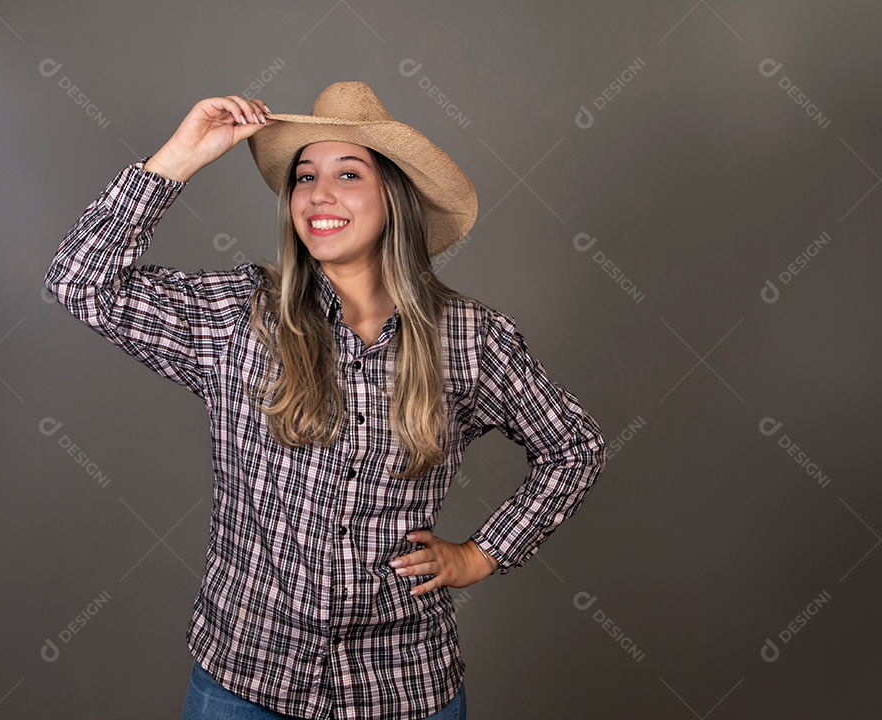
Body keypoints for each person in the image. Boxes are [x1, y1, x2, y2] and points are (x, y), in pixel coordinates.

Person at [45, 81, 606, 720]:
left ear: (395, 197)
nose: (318, 195)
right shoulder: (240, 316)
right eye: (305, 176)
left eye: (348, 174)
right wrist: (179, 158)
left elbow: (574, 447)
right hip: (244, 683)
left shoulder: (469, 336)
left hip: (402, 687)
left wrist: (481, 555)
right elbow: (79, 283)